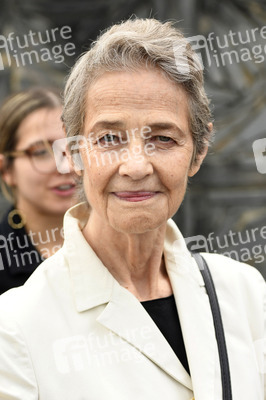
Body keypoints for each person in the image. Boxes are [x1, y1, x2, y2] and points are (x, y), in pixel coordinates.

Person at [0, 18, 265, 400]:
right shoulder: (16, 328)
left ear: (198, 152)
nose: (137, 166)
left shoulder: (243, 294)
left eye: (163, 137)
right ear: (75, 154)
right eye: (109, 138)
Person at [0, 88, 76, 294]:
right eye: (41, 152)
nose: (66, 166)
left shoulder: (123, 241)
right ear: (6, 169)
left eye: (72, 148)